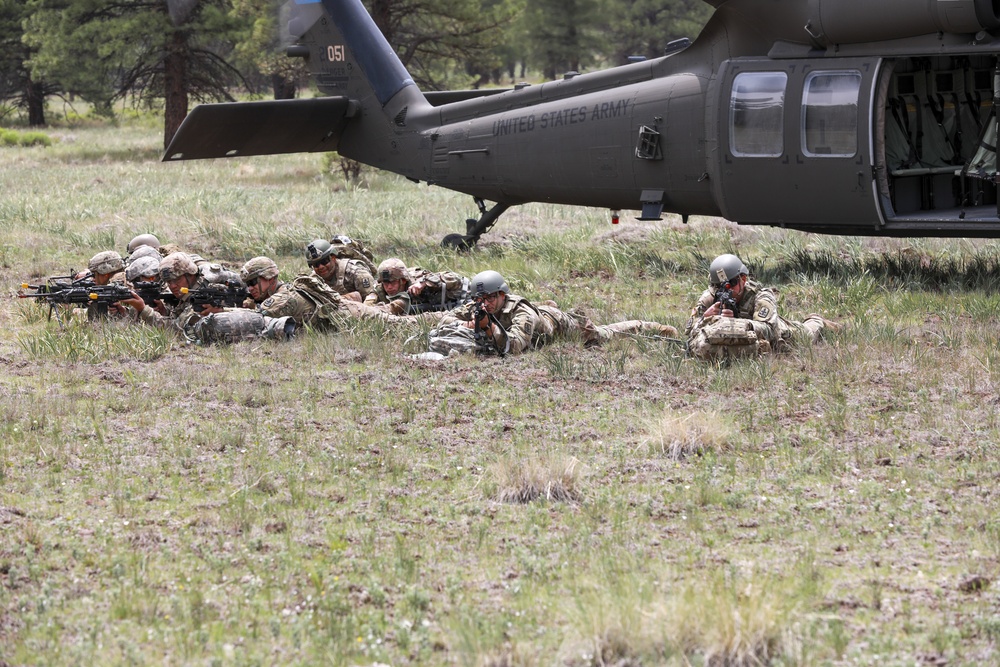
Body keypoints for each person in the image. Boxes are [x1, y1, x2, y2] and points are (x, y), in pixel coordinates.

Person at [433, 270, 678, 356]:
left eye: (489, 298)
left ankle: (648, 327)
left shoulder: (521, 313)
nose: (484, 303)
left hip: (560, 327)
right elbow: (446, 318)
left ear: (502, 295)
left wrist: (491, 328)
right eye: (479, 299)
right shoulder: (479, 306)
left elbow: (516, 346)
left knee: (601, 336)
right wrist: (467, 324)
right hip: (542, 315)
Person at [684, 253, 838, 360]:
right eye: (718, 286)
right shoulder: (710, 297)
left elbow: (769, 330)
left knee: (809, 331)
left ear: (743, 279)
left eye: (731, 284)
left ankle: (819, 321)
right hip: (745, 342)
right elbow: (689, 330)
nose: (725, 290)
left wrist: (737, 324)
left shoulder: (760, 295)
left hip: (782, 336)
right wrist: (705, 318)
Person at [121, 252, 293, 343]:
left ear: (190, 275)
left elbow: (174, 330)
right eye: (168, 281)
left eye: (176, 280)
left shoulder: (203, 294)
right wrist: (165, 310)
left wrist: (142, 309)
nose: (172, 285)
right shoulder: (189, 290)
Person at [241, 255, 427, 330]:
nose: (250, 288)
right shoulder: (282, 293)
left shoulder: (282, 298)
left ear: (269, 277)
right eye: (247, 285)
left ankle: (453, 316)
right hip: (348, 311)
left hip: (351, 315)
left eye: (253, 282)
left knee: (407, 324)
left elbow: (254, 319)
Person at [364, 258, 468, 315]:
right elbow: (366, 306)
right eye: (385, 283)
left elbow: (455, 278)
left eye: (392, 283)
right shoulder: (379, 289)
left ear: (403, 281)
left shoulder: (419, 278)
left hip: (463, 299)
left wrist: (424, 283)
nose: (389, 287)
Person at [305, 238, 376, 302]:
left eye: (324, 261)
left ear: (333, 258)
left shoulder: (356, 273)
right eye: (316, 264)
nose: (321, 267)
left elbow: (372, 300)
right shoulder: (313, 281)